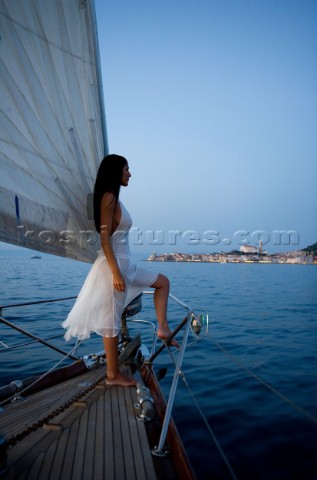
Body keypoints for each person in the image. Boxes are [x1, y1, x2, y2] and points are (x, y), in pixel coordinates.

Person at [62, 154, 178, 387]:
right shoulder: (108, 198)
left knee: (162, 282)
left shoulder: (114, 198)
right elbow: (104, 239)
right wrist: (115, 272)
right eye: (127, 169)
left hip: (127, 265)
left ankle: (163, 328)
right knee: (111, 320)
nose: (130, 173)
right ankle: (112, 375)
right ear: (116, 171)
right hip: (113, 267)